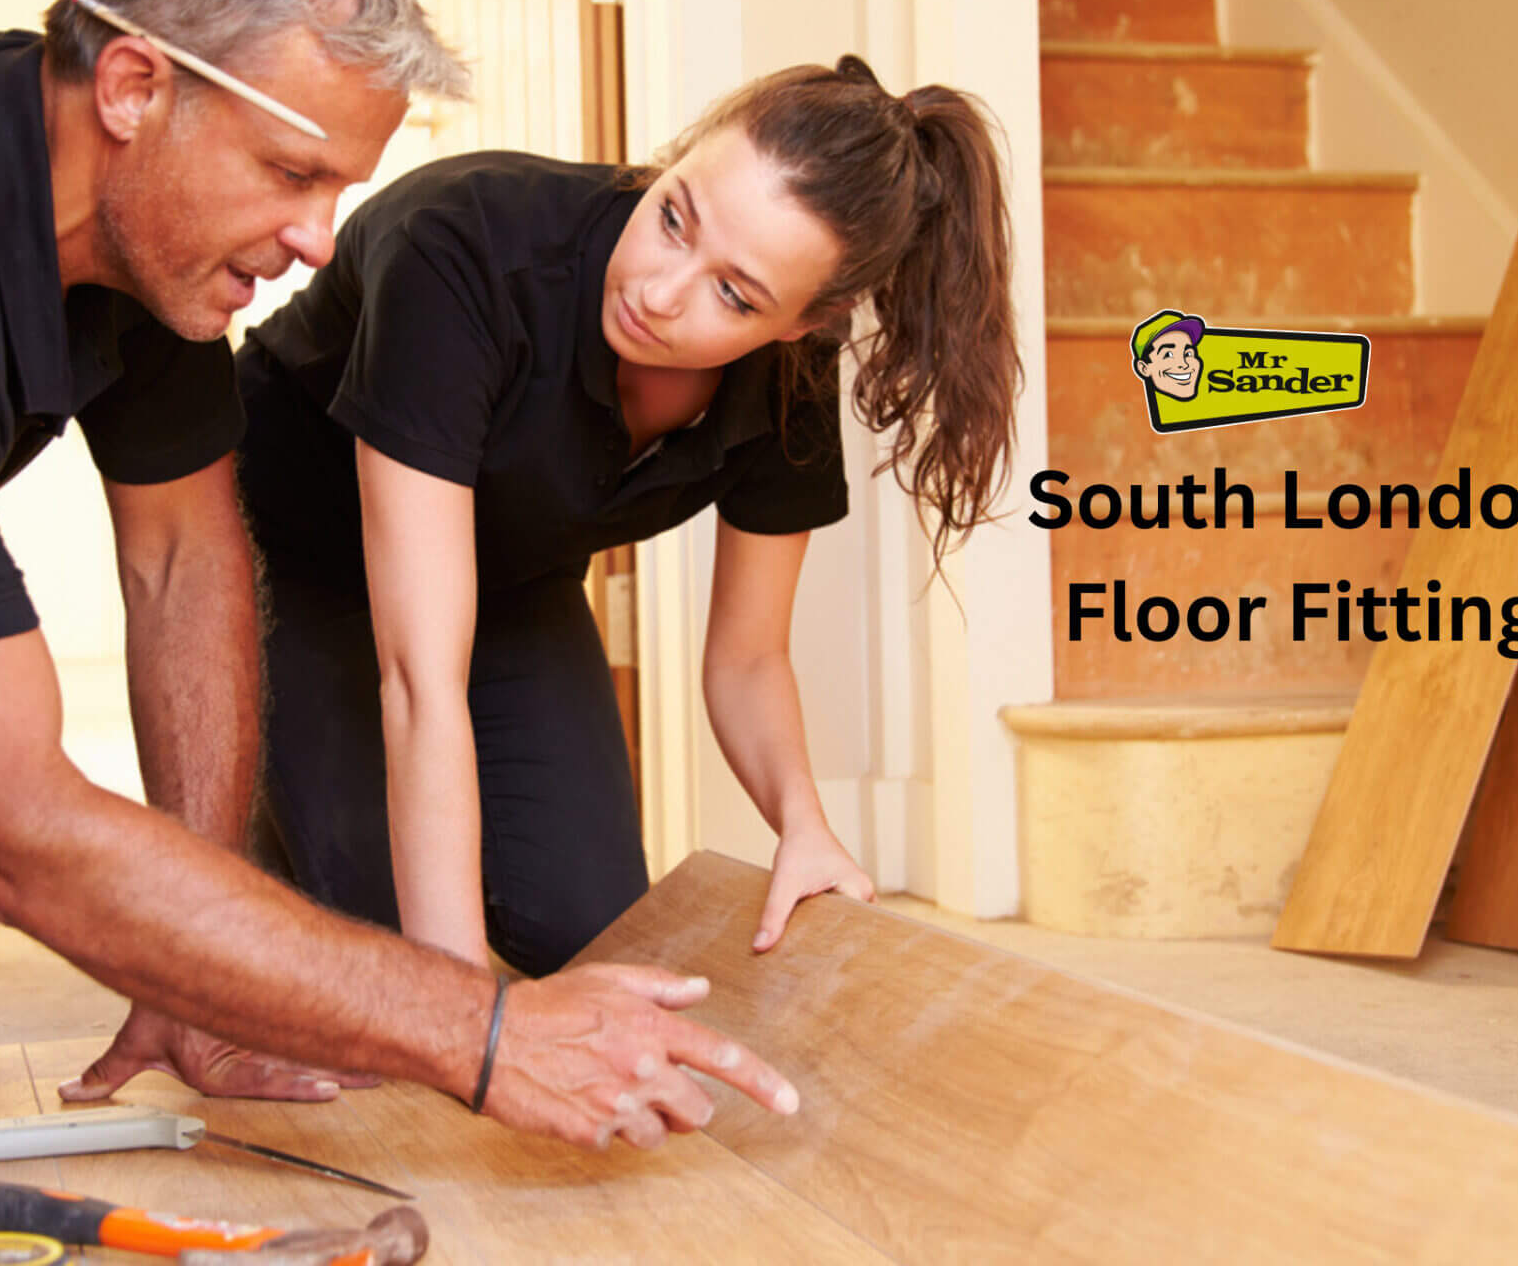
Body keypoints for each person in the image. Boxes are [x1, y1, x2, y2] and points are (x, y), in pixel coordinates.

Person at [0, 0, 802, 1152]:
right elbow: (14, 827)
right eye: (294, 174)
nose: (321, 240)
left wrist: (188, 971)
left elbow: (186, 560)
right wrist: (477, 1030)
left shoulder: (129, 228)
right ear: (134, 84)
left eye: (341, 188)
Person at [237, 55, 1022, 976]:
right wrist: (461, 1011)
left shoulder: (789, 380)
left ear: (809, 321)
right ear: (673, 160)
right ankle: (274, 814)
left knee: (591, 931)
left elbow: (750, 655)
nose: (658, 291)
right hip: (293, 546)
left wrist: (803, 826)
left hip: (508, 572)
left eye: (734, 294)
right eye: (673, 216)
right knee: (380, 953)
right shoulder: (460, 247)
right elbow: (420, 678)